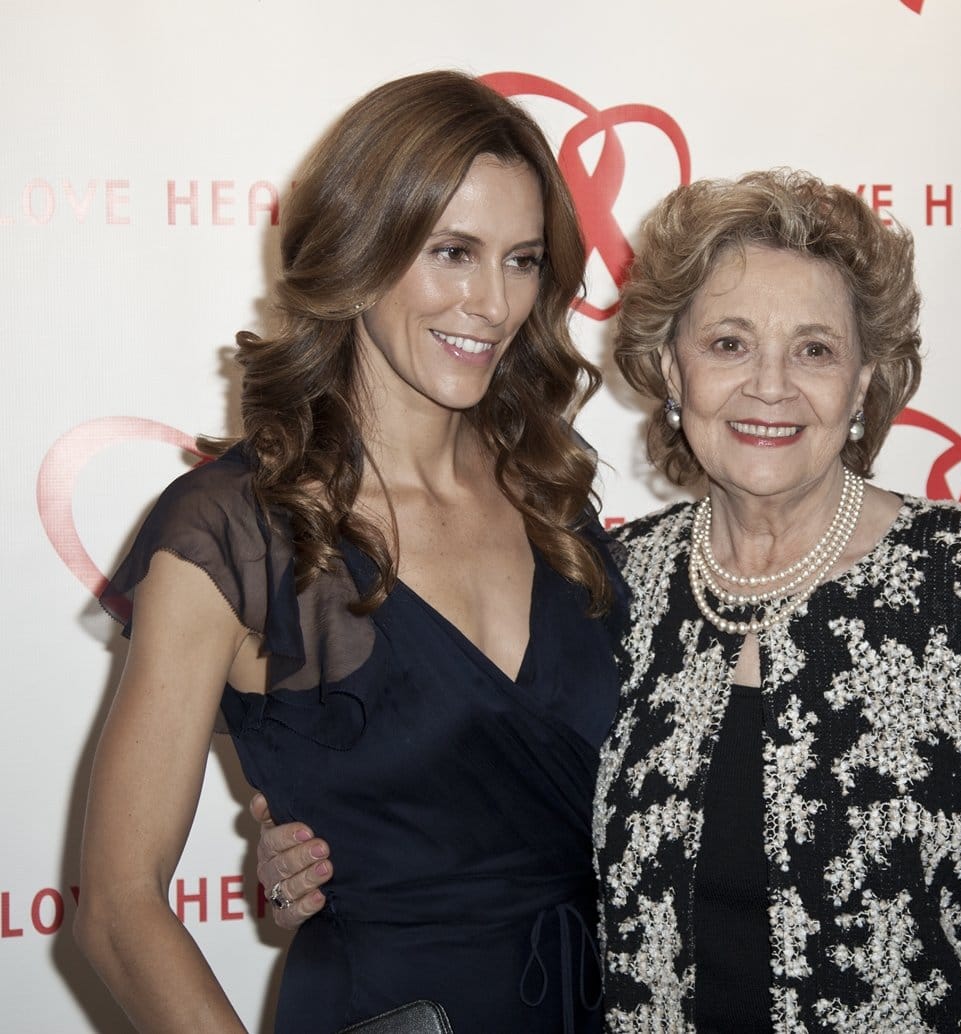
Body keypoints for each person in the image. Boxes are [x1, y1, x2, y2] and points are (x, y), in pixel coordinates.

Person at [258, 170, 961, 1032]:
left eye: (815, 349)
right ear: (669, 372)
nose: (770, 385)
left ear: (865, 383)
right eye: (728, 344)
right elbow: (488, 804)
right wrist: (317, 847)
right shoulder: (608, 582)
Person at [74, 70, 619, 1034]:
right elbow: (118, 905)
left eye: (523, 260)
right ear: (364, 247)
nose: (493, 304)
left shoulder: (553, 495)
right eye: (452, 251)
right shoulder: (238, 530)